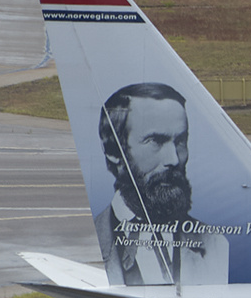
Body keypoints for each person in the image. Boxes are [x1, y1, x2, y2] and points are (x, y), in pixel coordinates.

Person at [91, 82, 228, 286]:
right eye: (155, 141)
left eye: (180, 141)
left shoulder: (216, 243)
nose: (173, 159)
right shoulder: (95, 241)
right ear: (113, 150)